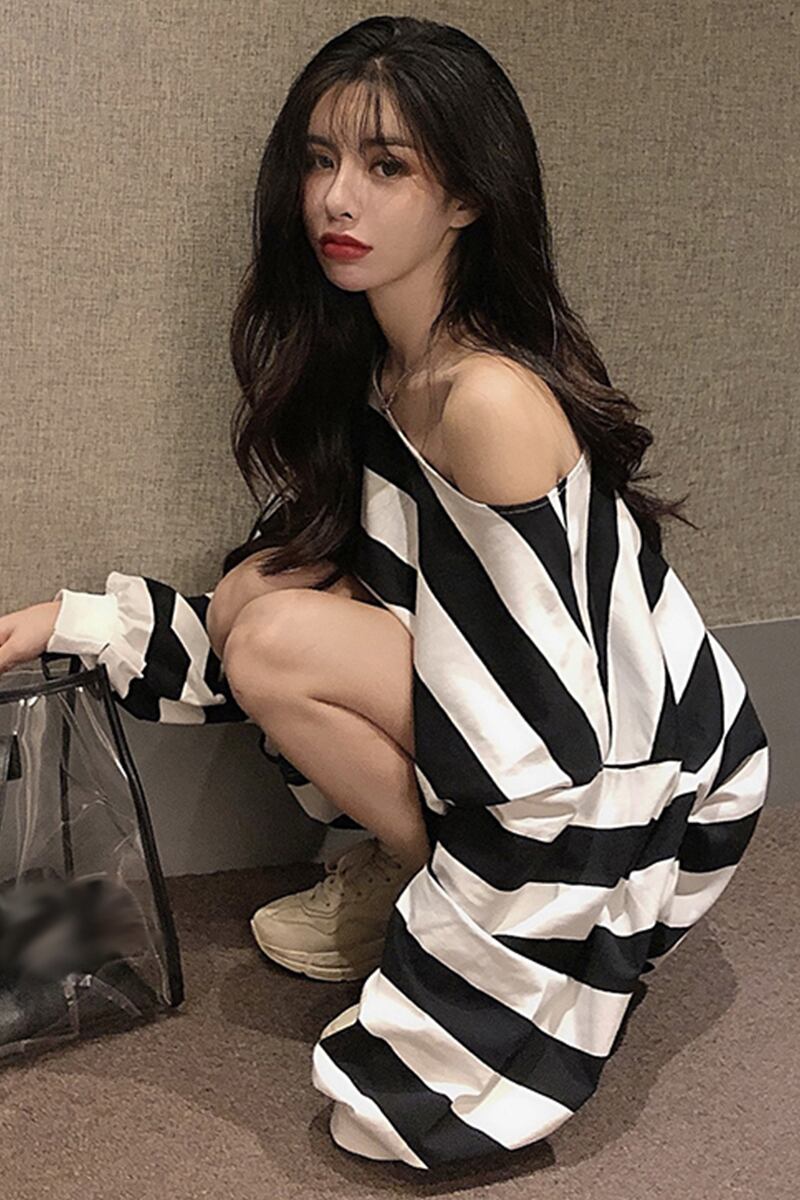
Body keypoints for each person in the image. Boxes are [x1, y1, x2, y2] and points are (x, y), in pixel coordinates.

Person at [0, 14, 770, 1174]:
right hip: (522, 730)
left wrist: (500, 974)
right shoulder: (376, 367)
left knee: (275, 641)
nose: (335, 198)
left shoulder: (487, 401)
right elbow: (329, 619)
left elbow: (574, 749)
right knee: (260, 593)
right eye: (319, 160)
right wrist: (69, 625)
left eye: (385, 165)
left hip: (641, 778)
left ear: (465, 197)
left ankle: (440, 884)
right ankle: (428, 871)